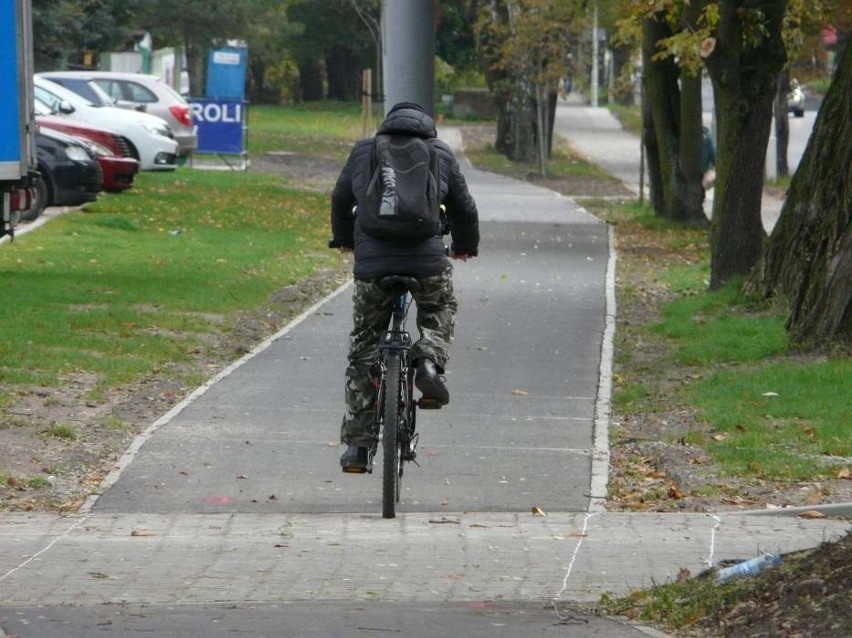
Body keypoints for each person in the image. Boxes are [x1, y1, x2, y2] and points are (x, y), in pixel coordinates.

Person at [330, 101, 480, 473]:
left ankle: (358, 449)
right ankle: (428, 359)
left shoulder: (364, 151)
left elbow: (340, 199)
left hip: (373, 263)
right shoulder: (440, 154)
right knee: (439, 306)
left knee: (365, 347)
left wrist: (344, 239)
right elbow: (464, 209)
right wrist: (464, 247)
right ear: (427, 129)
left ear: (386, 127)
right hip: (426, 260)